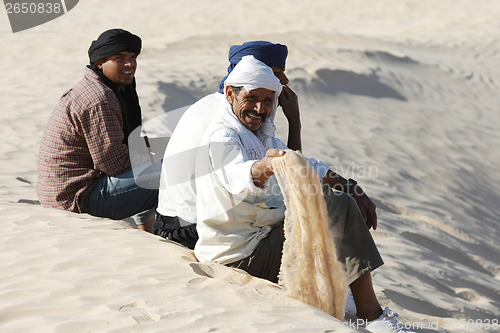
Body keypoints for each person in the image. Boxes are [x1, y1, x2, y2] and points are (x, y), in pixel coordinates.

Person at [193, 55, 414, 333]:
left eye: (268, 100)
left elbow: (308, 166)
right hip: (239, 256)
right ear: (230, 94)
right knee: (336, 206)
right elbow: (238, 175)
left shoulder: (261, 135)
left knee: (335, 197)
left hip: (260, 242)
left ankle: (343, 293)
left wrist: (352, 186)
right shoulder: (222, 135)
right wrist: (268, 164)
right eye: (252, 98)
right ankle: (372, 316)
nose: (260, 108)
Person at [153, 41, 303, 247]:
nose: (285, 80)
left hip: (179, 222)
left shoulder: (233, 104)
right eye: (276, 72)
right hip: (190, 229)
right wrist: (295, 121)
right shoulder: (230, 115)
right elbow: (278, 181)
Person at [37, 29, 160, 232]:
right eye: (119, 58)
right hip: (75, 201)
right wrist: (156, 153)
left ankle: (148, 230)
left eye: (132, 57)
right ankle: (172, 237)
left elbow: (124, 148)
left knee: (155, 164)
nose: (130, 64)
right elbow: (113, 163)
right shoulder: (99, 98)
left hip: (70, 194)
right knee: (172, 170)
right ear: (100, 63)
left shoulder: (107, 88)